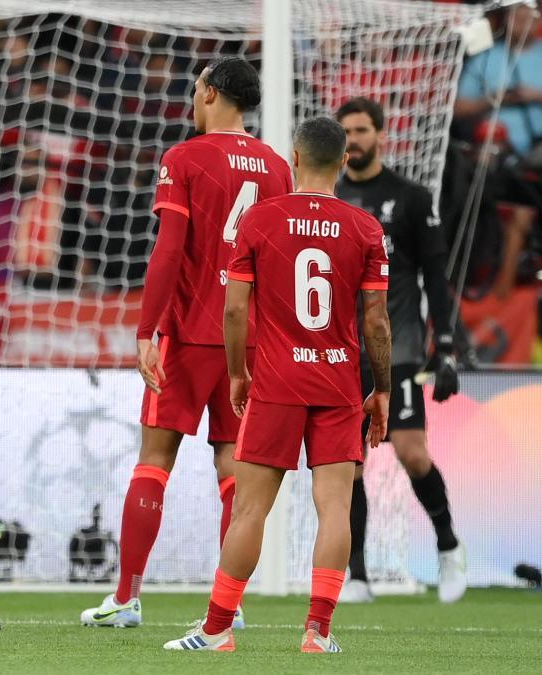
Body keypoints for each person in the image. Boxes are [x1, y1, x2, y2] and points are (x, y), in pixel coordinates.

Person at [163, 116, 390, 654]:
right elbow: (377, 322)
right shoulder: (365, 228)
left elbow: (235, 308)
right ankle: (318, 632)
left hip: (276, 380)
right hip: (338, 382)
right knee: (335, 507)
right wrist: (381, 389)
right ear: (343, 162)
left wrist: (239, 372)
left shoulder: (261, 220)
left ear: (293, 156)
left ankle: (217, 630)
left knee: (249, 509)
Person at [80, 56, 292, 629]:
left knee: (156, 459)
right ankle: (230, 604)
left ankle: (125, 598)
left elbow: (170, 251)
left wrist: (147, 330)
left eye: (196, 87)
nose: (191, 97)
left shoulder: (185, 157)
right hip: (249, 340)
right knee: (233, 464)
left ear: (214, 93)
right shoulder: (278, 167)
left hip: (192, 332)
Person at [333, 98, 467, 605]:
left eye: (363, 130)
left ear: (381, 135)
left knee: (412, 454)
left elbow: (435, 274)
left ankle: (449, 548)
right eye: (345, 131)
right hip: (342, 354)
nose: (354, 140)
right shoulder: (329, 199)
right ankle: (358, 576)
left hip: (401, 347)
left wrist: (448, 347)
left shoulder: (410, 198)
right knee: (349, 465)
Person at [455, 3, 542, 155]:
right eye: (517, 17)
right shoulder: (484, 58)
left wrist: (539, 96)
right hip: (494, 141)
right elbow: (459, 109)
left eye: (528, 18)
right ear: (506, 19)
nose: (522, 24)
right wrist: (492, 100)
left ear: (539, 20)